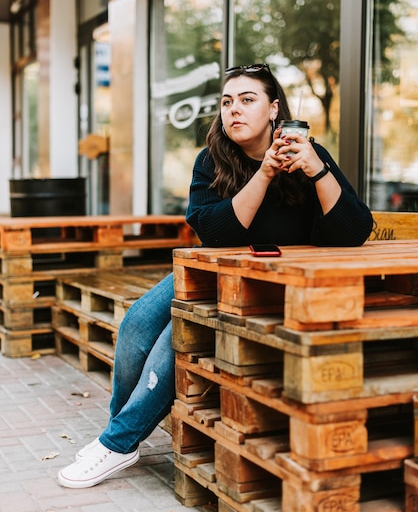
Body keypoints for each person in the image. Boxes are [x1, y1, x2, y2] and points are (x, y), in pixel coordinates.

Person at [58, 63, 373, 489]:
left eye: (247, 100)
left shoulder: (308, 155)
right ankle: (118, 433)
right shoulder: (212, 160)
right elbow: (216, 234)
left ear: (273, 108)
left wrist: (317, 169)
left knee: (176, 335)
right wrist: (263, 174)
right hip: (212, 271)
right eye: (227, 102)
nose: (234, 110)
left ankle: (116, 444)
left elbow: (352, 233)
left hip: (273, 281)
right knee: (137, 321)